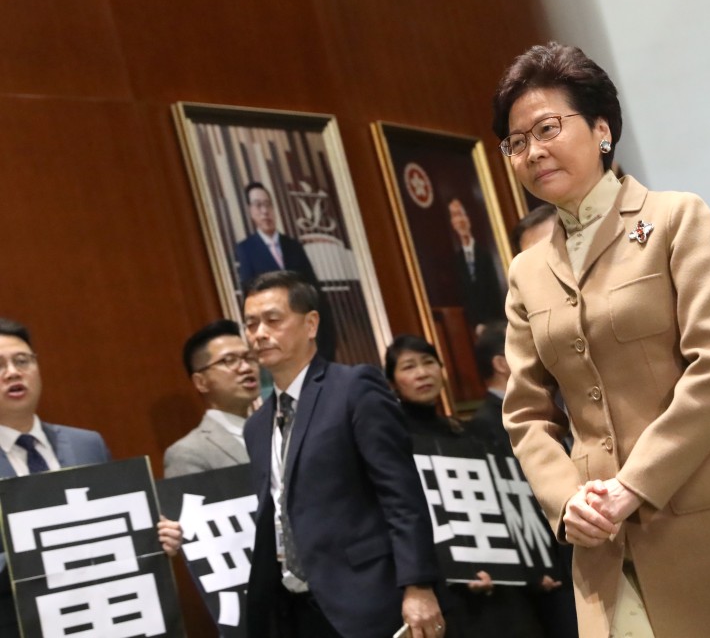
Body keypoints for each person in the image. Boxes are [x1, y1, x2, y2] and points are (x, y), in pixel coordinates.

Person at [492, 42, 710, 637]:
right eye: (516, 142)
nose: (533, 151)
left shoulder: (677, 218)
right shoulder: (526, 271)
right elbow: (525, 413)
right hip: (603, 534)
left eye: (548, 128)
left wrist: (635, 484)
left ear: (602, 130)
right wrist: (567, 500)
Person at [241, 271, 444, 638]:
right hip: (296, 609)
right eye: (251, 324)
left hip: (368, 596)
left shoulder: (353, 388)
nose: (259, 334)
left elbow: (401, 494)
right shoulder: (256, 426)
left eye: (273, 320)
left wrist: (419, 585)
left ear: (310, 323)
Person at [0, 317, 183, 633]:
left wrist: (156, 536)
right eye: (0, 365)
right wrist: (38, 556)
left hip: (106, 618)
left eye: (22, 360)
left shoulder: (87, 443)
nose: (13, 372)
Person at [384, 334, 543, 638]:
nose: (422, 373)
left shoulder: (462, 431)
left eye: (429, 362)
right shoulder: (395, 439)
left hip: (500, 577)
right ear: (393, 382)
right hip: (447, 588)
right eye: (408, 367)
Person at [467, 323, 579, 638]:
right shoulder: (486, 425)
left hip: (575, 550)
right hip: (547, 567)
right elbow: (507, 498)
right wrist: (535, 562)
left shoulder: (551, 406)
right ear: (501, 363)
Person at [235, 182, 337, 360]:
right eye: (258, 205)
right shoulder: (246, 249)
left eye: (267, 204)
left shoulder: (293, 246)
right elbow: (249, 292)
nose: (264, 211)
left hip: (308, 331)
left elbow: (313, 288)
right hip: (277, 336)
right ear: (250, 211)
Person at [164, 319, 259, 477]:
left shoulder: (281, 429)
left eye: (248, 358)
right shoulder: (187, 453)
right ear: (201, 382)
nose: (246, 368)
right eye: (229, 360)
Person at [447, 198, 505, 333]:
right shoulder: (457, 260)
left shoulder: (487, 253)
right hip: (474, 329)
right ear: (452, 223)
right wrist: (476, 324)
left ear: (468, 218)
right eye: (455, 216)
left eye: (461, 214)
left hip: (498, 323)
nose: (460, 220)